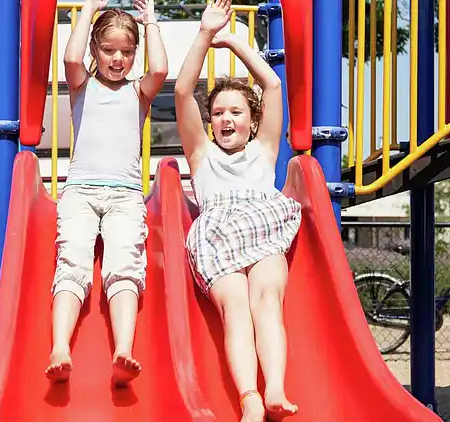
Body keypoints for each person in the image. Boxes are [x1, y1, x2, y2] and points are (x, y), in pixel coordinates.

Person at [174, 0, 301, 420]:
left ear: (253, 119)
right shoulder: (202, 156)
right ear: (209, 122)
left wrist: (234, 43)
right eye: (218, 113)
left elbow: (273, 86)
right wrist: (205, 34)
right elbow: (181, 90)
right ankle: (249, 397)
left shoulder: (264, 151)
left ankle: (276, 388)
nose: (226, 119)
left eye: (236, 112)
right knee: (234, 305)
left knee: (265, 298)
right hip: (216, 237)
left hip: (263, 230)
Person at [45, 0, 168, 387]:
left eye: (127, 52)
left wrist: (151, 22)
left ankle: (124, 349)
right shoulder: (82, 86)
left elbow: (161, 69)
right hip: (80, 191)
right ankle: (60, 347)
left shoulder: (138, 93)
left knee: (125, 266)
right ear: (95, 49)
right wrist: (88, 11)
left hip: (126, 195)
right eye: (109, 50)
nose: (118, 59)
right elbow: (69, 56)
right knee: (73, 262)